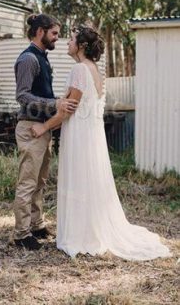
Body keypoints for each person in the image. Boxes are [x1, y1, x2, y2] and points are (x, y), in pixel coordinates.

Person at [31, 25, 171, 260]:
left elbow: (69, 110)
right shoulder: (95, 70)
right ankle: (89, 227)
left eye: (72, 39)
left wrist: (43, 127)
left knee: (79, 179)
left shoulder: (79, 70)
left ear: (82, 46)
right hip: (91, 136)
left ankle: (82, 235)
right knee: (88, 180)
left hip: (79, 135)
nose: (67, 42)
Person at [13, 13, 78, 251]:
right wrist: (54, 105)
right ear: (40, 31)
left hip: (42, 128)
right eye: (54, 34)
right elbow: (22, 95)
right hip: (30, 128)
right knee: (27, 182)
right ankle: (21, 234)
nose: (57, 39)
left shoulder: (43, 58)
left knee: (40, 181)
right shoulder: (28, 59)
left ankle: (37, 224)